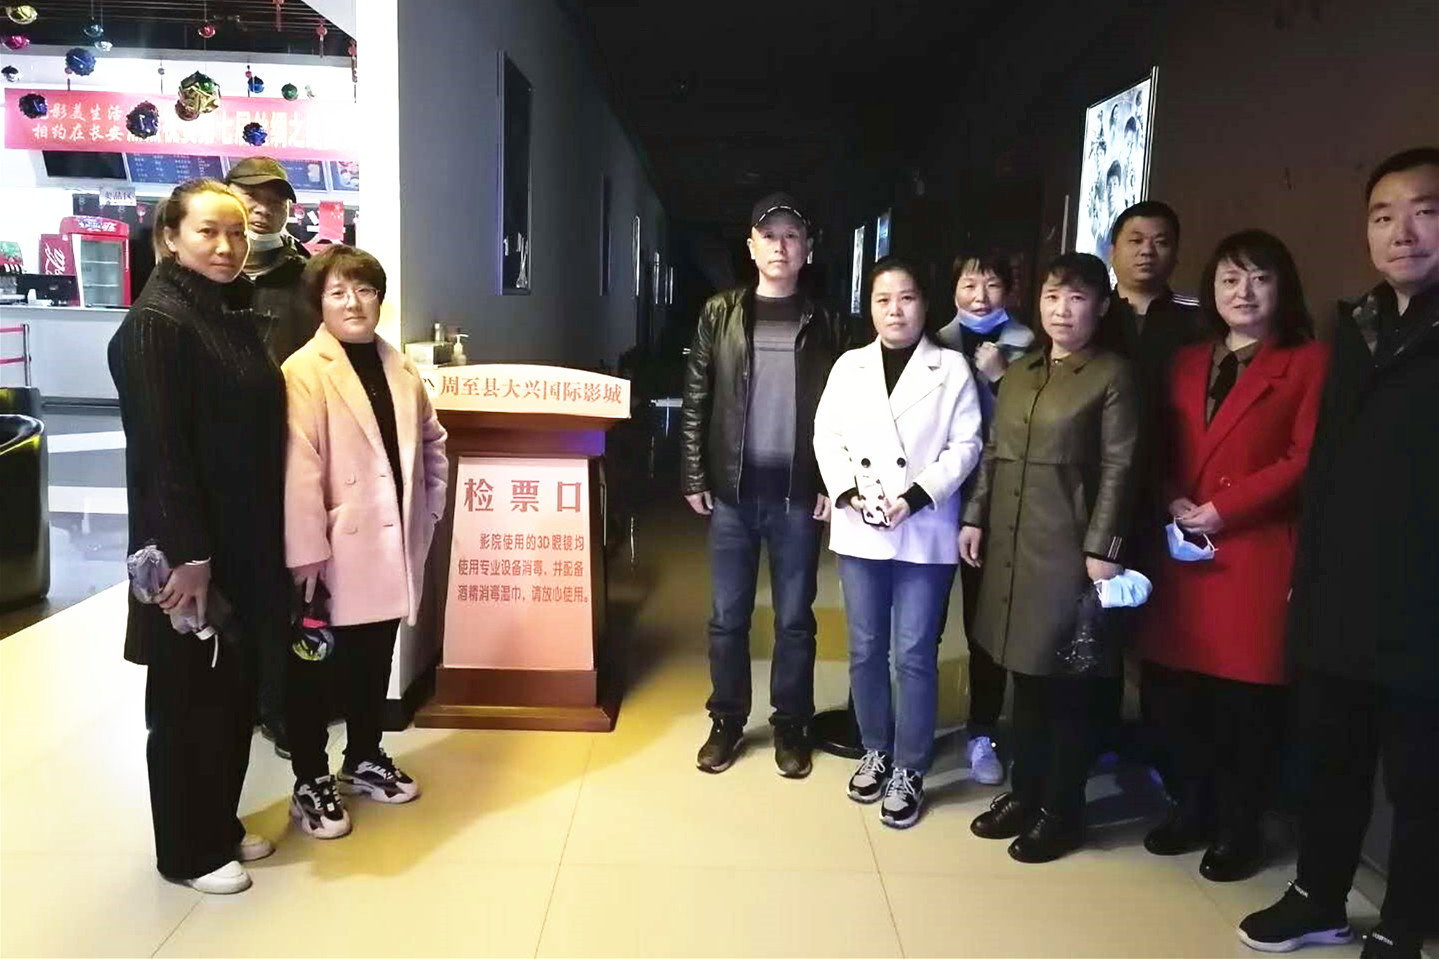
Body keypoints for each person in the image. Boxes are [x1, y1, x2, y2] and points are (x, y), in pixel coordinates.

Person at [1240, 148, 1439, 959]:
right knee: (1329, 756)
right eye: (1383, 216)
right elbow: (1323, 462)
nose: (1402, 232)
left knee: (1420, 778)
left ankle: (1403, 920)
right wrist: (1306, 574)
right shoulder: (1355, 324)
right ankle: (1316, 894)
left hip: (1424, 595)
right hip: (1339, 587)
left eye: (1425, 211)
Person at [108, 178, 289, 895]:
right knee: (187, 703)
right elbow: (163, 454)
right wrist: (191, 558)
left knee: (232, 695)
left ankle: (218, 821)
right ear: (170, 237)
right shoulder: (157, 324)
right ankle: (186, 851)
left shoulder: (218, 309)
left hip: (241, 540)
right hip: (188, 552)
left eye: (236, 232)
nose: (226, 246)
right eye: (208, 231)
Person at [1138, 230, 1327, 883]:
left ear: (1282, 288)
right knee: (1176, 697)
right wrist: (1169, 495)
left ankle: (1238, 827)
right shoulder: (1186, 360)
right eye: (1228, 279)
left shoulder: (1308, 361)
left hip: (1253, 553)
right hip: (1181, 552)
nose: (1242, 292)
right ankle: (1189, 808)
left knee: (1244, 707)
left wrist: (1225, 507)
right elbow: (1157, 445)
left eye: (1259, 278)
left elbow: (1305, 457)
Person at [959, 253, 1139, 863]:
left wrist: (1103, 547)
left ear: (1102, 307)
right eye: (1053, 297)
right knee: (1023, 675)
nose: (1062, 310)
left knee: (1066, 686)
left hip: (1069, 552)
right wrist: (974, 517)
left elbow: (1121, 466)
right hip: (1011, 544)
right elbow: (993, 452)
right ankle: (1025, 792)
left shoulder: (1111, 375)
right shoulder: (1021, 371)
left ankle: (1062, 810)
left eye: (1078, 298)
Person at [281, 245, 449, 838]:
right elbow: (298, 468)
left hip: (391, 543)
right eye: (338, 293)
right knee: (315, 670)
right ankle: (309, 777)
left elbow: (433, 442)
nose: (353, 303)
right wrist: (306, 551)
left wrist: (428, 509)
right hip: (331, 550)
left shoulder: (398, 366)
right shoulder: (304, 371)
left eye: (365, 290)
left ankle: (363, 755)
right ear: (319, 304)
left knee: (374, 658)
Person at [680, 192, 846, 778]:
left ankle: (791, 723)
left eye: (791, 235)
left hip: (798, 495)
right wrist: (694, 472)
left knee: (796, 619)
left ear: (807, 248)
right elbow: (697, 395)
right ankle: (726, 719)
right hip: (734, 493)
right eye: (768, 235)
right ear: (751, 247)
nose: (780, 245)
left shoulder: (827, 322)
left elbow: (843, 410)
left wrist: (833, 481)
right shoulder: (721, 313)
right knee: (727, 617)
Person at [814, 257, 983, 828]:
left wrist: (913, 497)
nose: (895, 311)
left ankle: (910, 765)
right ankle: (874, 748)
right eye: (883, 300)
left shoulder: (951, 368)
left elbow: (966, 446)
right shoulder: (849, 366)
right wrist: (848, 494)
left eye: (906, 298)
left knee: (913, 653)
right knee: (865, 648)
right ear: (870, 307)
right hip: (861, 525)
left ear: (924, 305)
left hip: (924, 526)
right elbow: (827, 436)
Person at [1101, 200, 1204, 769]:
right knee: (1099, 615)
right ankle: (1096, 735)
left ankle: (1161, 747)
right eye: (1135, 240)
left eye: (1161, 241)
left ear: (1176, 252)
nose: (1147, 251)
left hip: (1172, 488)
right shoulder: (1093, 312)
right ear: (1113, 249)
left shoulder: (1197, 319)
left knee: (1166, 622)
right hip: (1099, 490)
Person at [225, 156, 316, 760]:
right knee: (238, 583)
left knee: (290, 584)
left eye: (275, 198)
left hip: (292, 452)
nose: (263, 208)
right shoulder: (207, 276)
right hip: (228, 458)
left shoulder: (306, 277)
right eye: (250, 196)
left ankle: (283, 708)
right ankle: (239, 705)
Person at [934, 251, 1036, 786]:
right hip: (933, 500)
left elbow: (1031, 425)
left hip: (996, 504)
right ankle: (911, 729)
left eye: (992, 284)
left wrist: (1001, 380)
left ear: (1010, 291)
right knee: (921, 622)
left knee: (985, 625)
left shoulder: (1032, 347)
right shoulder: (932, 342)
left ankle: (983, 730)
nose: (980, 297)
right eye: (970, 283)